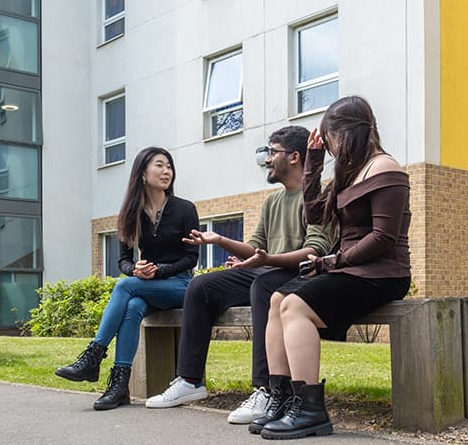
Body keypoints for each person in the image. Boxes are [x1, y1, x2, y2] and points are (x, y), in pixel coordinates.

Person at [144, 126, 334, 426]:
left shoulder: (317, 196)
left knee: (263, 284)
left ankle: (266, 389)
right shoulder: (273, 201)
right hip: (268, 270)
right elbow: (256, 248)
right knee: (201, 286)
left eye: (272, 152)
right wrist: (219, 240)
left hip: (302, 276)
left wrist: (265, 260)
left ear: (295, 157)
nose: (267, 160)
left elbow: (314, 252)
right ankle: (190, 381)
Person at [257, 96, 412, 439]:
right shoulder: (349, 175)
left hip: (383, 273)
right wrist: (313, 161)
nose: (329, 146)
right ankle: (282, 400)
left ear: (348, 134)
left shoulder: (386, 169)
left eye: (329, 140)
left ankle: (309, 409)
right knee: (277, 299)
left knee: (295, 306)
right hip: (352, 270)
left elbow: (383, 238)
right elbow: (313, 214)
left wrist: (333, 261)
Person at [55, 147, 199, 410]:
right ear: (142, 173)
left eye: (169, 166)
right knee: (132, 305)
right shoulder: (131, 212)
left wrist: (158, 271)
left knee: (124, 286)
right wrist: (136, 270)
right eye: (159, 165)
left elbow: (192, 258)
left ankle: (93, 357)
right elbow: (123, 260)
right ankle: (119, 387)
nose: (166, 171)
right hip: (149, 287)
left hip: (181, 284)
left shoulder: (185, 209)